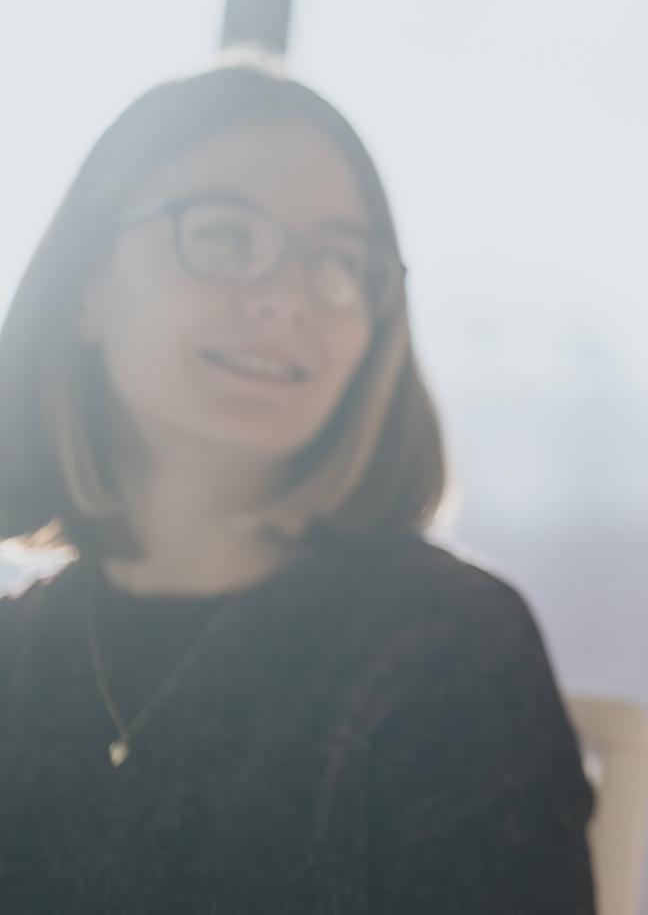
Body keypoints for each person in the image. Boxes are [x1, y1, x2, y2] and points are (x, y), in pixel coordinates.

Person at [0, 63, 595, 913]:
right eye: (223, 237)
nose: (286, 298)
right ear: (84, 285)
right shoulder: (14, 658)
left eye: (340, 262)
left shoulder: (447, 651)